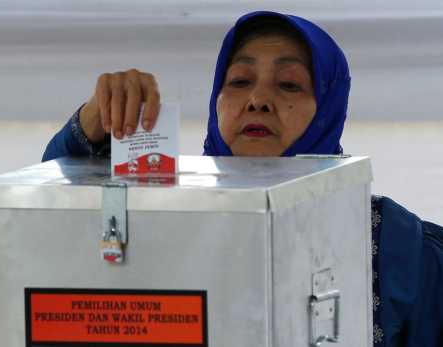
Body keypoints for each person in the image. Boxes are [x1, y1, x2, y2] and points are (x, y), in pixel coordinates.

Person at [42, 11, 443, 347]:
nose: (257, 100)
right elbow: (51, 221)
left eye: (288, 84)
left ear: (329, 108)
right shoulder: (156, 213)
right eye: (238, 81)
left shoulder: (398, 247)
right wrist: (95, 121)